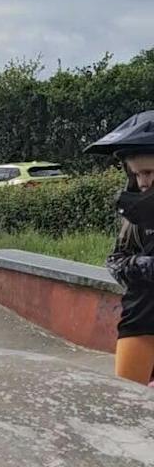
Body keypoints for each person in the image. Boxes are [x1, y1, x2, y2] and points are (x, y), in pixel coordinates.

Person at [85, 111, 154, 384]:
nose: (142, 181)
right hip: (139, 321)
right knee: (127, 399)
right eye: (136, 174)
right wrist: (142, 266)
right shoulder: (136, 218)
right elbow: (116, 260)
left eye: (148, 172)